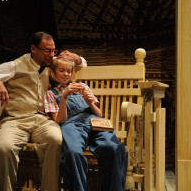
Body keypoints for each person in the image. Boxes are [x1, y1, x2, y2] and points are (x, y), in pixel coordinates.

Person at [0, 31, 87, 191]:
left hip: (43, 120)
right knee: (4, 147)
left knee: (55, 139)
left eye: (54, 51)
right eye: (47, 51)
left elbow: (82, 64)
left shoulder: (53, 64)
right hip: (15, 120)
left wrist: (76, 58)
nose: (52, 55)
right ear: (34, 49)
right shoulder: (14, 66)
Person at [43, 58, 128, 191]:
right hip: (71, 125)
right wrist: (64, 97)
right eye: (62, 70)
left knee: (113, 147)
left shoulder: (82, 87)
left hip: (94, 121)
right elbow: (59, 120)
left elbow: (99, 115)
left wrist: (90, 103)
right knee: (72, 153)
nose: (66, 74)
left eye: (69, 71)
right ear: (53, 72)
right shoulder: (50, 94)